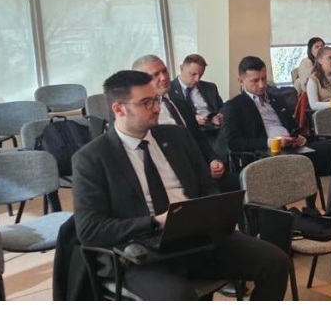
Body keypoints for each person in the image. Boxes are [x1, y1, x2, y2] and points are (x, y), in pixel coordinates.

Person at [71, 70, 289, 300]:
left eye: (156, 99)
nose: (157, 108)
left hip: (195, 237)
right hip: (141, 251)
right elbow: (89, 229)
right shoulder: (92, 158)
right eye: (146, 103)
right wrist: (155, 221)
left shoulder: (177, 137)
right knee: (179, 297)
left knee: (276, 262)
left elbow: (207, 187)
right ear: (119, 109)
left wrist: (216, 215)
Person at [219, 56, 331, 181]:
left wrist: (300, 138)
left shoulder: (276, 99)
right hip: (266, 154)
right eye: (255, 81)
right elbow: (234, 142)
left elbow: (294, 127)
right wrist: (271, 142)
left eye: (264, 78)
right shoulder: (234, 106)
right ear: (241, 81)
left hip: (294, 148)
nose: (261, 85)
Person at [132, 55, 227, 187]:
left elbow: (198, 139)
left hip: (198, 169)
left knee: (240, 184)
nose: (164, 77)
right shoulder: (139, 115)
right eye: (155, 75)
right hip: (168, 175)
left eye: (164, 71)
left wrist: (213, 160)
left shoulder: (181, 104)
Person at [170, 53, 225, 127]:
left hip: (214, 128)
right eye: (193, 74)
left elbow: (222, 108)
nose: (197, 79)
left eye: (200, 75)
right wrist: (191, 119)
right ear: (181, 69)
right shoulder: (169, 90)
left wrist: (219, 116)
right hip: (188, 130)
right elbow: (169, 118)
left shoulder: (210, 87)